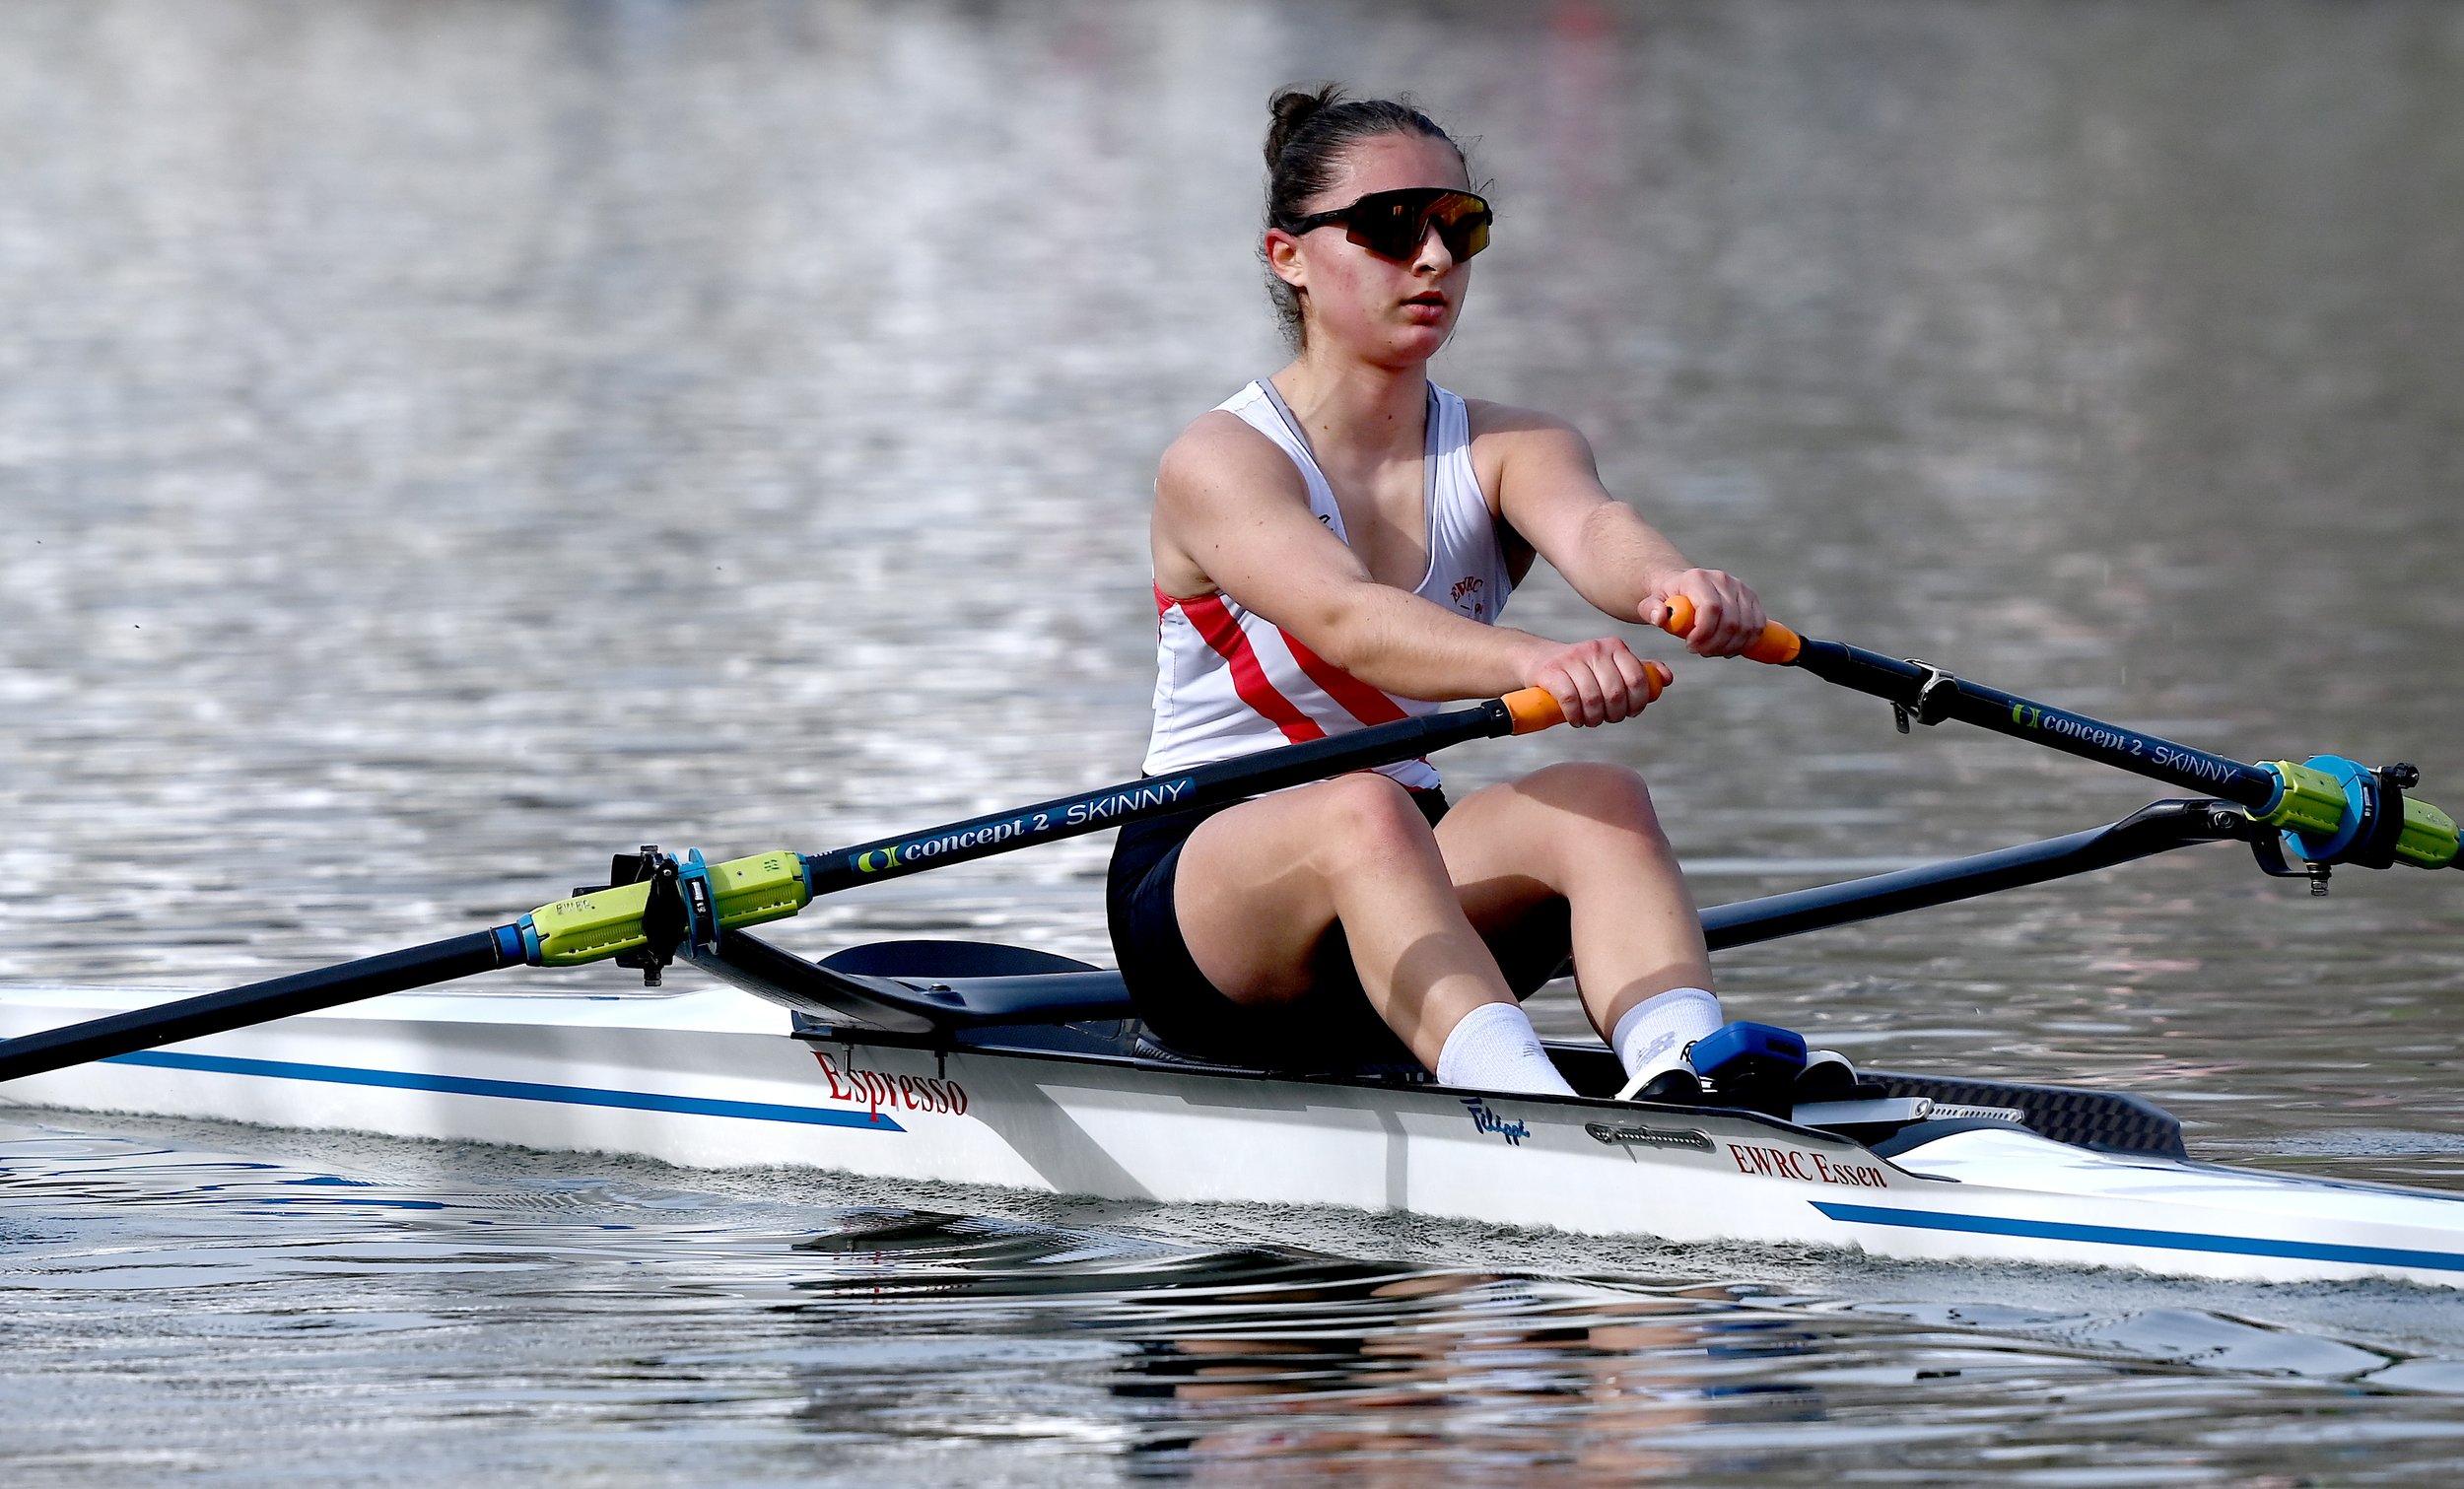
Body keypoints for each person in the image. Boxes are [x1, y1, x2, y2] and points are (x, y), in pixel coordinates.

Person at [1107, 85, 1772, 1102]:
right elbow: (1347, 619)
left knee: (1604, 796)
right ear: (1288, 254)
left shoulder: (1516, 444)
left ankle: (1683, 1068)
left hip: (1407, 877)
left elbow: (1595, 529)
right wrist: (1535, 662)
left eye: (1458, 226)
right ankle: (1527, 1107)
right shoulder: (1221, 460)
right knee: (1363, 808)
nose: (1431, 259)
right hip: (1210, 902)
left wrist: (1669, 585)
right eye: (1387, 227)